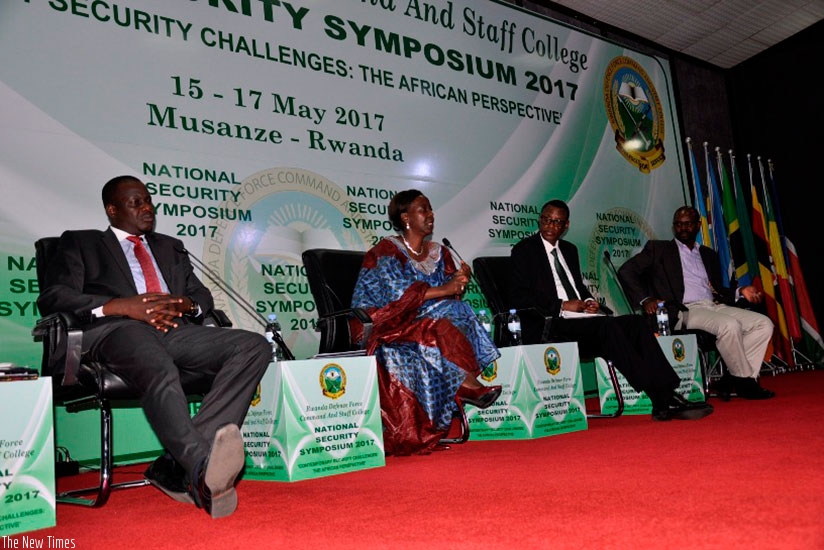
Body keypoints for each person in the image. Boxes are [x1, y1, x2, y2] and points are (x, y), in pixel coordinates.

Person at [37, 175, 271, 518]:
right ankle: (199, 467)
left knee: (253, 347)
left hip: (174, 331)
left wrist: (185, 306)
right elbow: (54, 296)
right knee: (152, 356)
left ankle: (175, 464)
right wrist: (122, 306)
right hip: (116, 329)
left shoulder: (169, 246)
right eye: (136, 203)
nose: (147, 208)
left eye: (148, 201)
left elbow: (200, 295)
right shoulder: (80, 243)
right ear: (112, 209)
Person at [509, 199, 713, 421]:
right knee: (606, 327)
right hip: (550, 322)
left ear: (566, 226)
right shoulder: (524, 250)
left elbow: (577, 285)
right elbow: (520, 296)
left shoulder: (569, 249)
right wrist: (562, 305)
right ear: (540, 219)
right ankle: (661, 396)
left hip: (580, 320)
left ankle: (665, 395)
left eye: (557, 222)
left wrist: (587, 300)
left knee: (636, 323)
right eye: (547, 220)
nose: (550, 226)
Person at [351, 190, 502, 455]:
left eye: (431, 209)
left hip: (429, 321)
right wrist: (446, 290)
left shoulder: (439, 252)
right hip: (389, 324)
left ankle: (466, 384)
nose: (430, 215)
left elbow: (451, 295)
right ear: (405, 217)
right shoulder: (386, 251)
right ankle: (467, 384)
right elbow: (398, 296)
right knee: (443, 317)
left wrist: (458, 282)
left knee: (457, 309)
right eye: (423, 210)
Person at [618, 205, 775, 399]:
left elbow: (716, 289)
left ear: (698, 226)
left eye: (688, 224)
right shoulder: (659, 250)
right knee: (729, 325)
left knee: (763, 324)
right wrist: (645, 299)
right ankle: (744, 383)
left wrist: (740, 291)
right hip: (686, 310)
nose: (682, 228)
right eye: (678, 224)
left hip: (714, 306)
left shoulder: (708, 255)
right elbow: (626, 271)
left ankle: (736, 379)